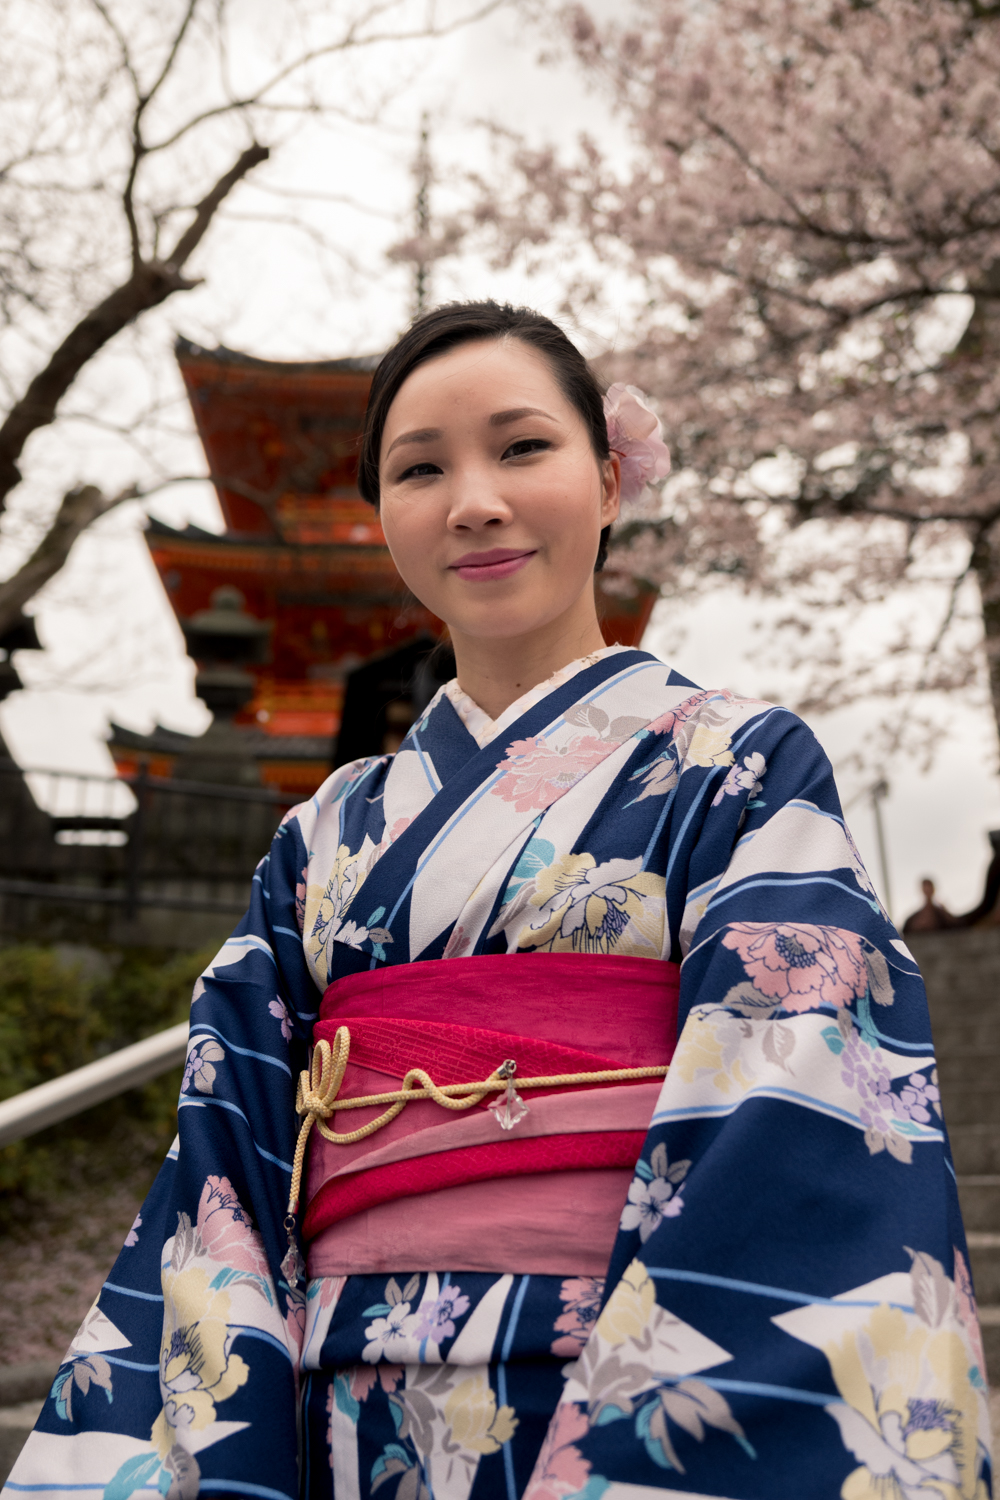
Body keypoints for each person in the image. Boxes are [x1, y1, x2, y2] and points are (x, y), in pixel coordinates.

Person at [6, 302, 989, 1500]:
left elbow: (800, 1102)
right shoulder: (319, 840)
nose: (473, 499)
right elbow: (231, 1150)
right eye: (421, 468)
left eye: (522, 447)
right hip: (342, 1408)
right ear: (383, 515)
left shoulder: (737, 766)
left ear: (611, 478)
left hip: (624, 1370)